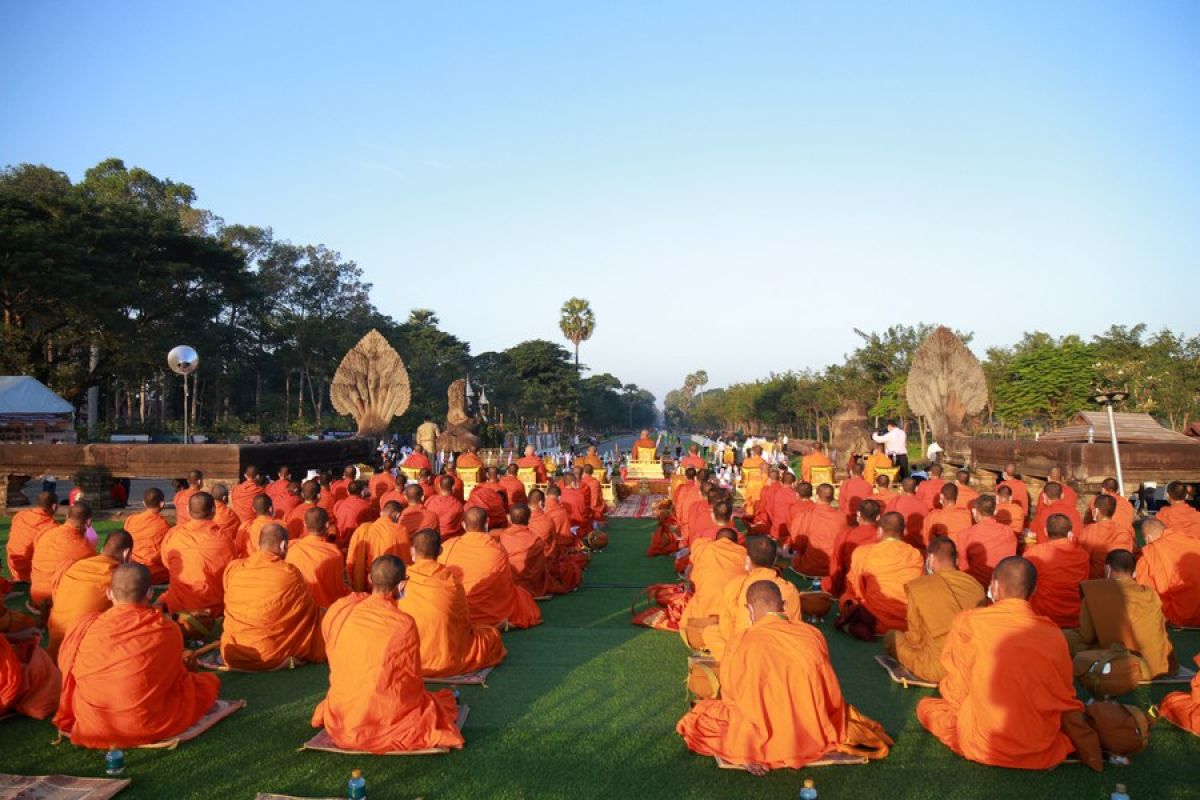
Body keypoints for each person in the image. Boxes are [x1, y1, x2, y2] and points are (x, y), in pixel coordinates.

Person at [677, 581, 872, 772]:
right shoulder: (812, 634)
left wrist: (745, 748)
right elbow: (829, 691)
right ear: (784, 605)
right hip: (811, 734)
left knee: (697, 718)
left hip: (760, 742)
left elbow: (732, 698)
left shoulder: (742, 640)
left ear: (749, 609)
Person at [917, 557, 1083, 769]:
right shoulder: (1053, 633)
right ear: (1034, 591)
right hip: (1039, 745)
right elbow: (1064, 693)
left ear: (994, 585)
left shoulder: (969, 622)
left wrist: (963, 711)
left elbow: (957, 689)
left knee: (926, 707)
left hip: (984, 743)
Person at [54, 563, 221, 748]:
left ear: (109, 593)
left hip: (94, 724)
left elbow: (66, 667)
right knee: (207, 684)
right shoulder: (166, 628)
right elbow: (173, 676)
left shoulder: (86, 626)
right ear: (149, 593)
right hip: (145, 724)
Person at [312, 555, 464, 754]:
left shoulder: (341, 609)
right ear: (401, 585)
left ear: (369, 579)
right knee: (429, 708)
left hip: (344, 720)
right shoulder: (403, 624)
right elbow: (410, 682)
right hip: (384, 721)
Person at [398, 530, 507, 677]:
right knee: (492, 636)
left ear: (412, 550)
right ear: (440, 551)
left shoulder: (402, 580)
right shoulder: (452, 582)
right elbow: (463, 624)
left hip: (410, 658)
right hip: (447, 659)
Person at [220, 523, 326, 670]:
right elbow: (307, 613)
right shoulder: (289, 573)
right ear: (283, 545)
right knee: (319, 618)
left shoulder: (234, 569)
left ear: (259, 545)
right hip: (270, 654)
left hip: (233, 653)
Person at [884, 536, 985, 682]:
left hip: (937, 669)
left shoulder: (921, 586)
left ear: (929, 559)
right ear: (956, 560)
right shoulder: (975, 585)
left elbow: (915, 638)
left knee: (891, 637)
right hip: (969, 665)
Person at [1067, 549, 1176, 679]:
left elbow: (1087, 636)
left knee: (1066, 637)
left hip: (1122, 662)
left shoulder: (1095, 592)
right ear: (1134, 572)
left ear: (1107, 569)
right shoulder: (1150, 593)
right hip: (1155, 667)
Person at [438, 508, 542, 629]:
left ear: (463, 525)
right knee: (521, 596)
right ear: (487, 523)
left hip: (455, 611)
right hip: (489, 612)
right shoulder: (497, 550)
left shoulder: (448, 546)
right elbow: (504, 587)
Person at [704, 536, 801, 660]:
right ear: (774, 560)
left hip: (744, 655)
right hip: (779, 653)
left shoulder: (736, 585)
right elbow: (796, 626)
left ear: (748, 561)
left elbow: (726, 626)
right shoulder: (790, 589)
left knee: (711, 632)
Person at [47, 531, 132, 659]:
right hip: (80, 647)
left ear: (103, 549)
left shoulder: (76, 566)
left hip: (56, 637)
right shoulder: (118, 577)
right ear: (127, 553)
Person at [841, 511, 924, 634]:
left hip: (875, 621)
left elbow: (855, 590)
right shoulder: (916, 555)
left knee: (850, 597)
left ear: (879, 531)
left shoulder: (863, 552)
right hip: (907, 622)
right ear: (904, 531)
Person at [159, 492, 239, 617]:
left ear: (187, 510)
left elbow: (167, 563)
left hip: (177, 607)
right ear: (214, 510)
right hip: (212, 609)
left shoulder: (173, 534)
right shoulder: (224, 539)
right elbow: (230, 572)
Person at [677, 529, 748, 645]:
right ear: (736, 543)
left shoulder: (704, 549)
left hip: (698, 629)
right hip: (733, 630)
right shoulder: (743, 554)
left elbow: (691, 580)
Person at [1023, 514, 1089, 628]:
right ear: (1069, 534)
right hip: (1075, 618)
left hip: (1044, 618)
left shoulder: (1035, 553)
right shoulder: (1083, 554)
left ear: (1046, 532)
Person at [1135, 518, 1200, 627]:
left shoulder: (1151, 553)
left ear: (1148, 538)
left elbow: (1144, 591)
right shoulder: (1193, 541)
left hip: (1180, 616)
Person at [30, 502, 96, 606]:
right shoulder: (85, 548)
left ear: (67, 516)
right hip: (57, 601)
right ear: (89, 522)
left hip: (36, 595)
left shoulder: (45, 533)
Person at [285, 507, 348, 609]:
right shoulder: (335, 554)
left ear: (305, 524)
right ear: (327, 525)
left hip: (300, 608)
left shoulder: (292, 549)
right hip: (326, 609)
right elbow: (338, 589)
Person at [952, 494, 1017, 587]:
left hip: (976, 587)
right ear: (995, 512)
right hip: (1002, 585)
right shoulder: (1008, 532)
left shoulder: (965, 535)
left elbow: (963, 567)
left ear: (974, 512)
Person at [823, 499, 884, 598]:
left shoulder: (845, 535)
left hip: (851, 586)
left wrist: (836, 588)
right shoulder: (883, 538)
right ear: (878, 517)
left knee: (826, 582)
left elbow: (837, 566)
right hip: (877, 586)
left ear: (858, 514)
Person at [346, 501, 410, 590]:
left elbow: (351, 560)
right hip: (393, 584)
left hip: (370, 583)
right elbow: (406, 561)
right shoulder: (401, 531)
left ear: (381, 513)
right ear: (398, 515)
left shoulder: (363, 530)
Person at [789, 483, 846, 576]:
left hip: (811, 566)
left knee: (795, 557)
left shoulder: (807, 515)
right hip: (834, 566)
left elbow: (798, 543)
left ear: (816, 496)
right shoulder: (842, 517)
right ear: (833, 498)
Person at [1077, 494, 1135, 579]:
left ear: (1096, 511)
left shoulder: (1089, 531)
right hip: (1120, 580)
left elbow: (1081, 560)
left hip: (1095, 582)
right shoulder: (1124, 532)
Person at [498, 504, 550, 597]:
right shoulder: (536, 540)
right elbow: (540, 569)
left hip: (509, 584)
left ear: (509, 519)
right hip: (531, 586)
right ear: (529, 519)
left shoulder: (503, 537)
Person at [6, 491, 57, 583]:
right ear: (54, 507)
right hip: (32, 572)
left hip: (14, 567)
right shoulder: (52, 526)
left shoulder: (20, 516)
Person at [123, 487, 170, 583]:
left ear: (143, 503)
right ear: (162, 504)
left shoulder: (131, 520)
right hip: (155, 572)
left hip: (133, 569)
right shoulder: (163, 525)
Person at [885, 478, 927, 550]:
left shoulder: (896, 501)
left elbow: (886, 519)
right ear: (916, 488)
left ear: (901, 488)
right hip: (918, 544)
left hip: (899, 543)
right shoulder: (923, 504)